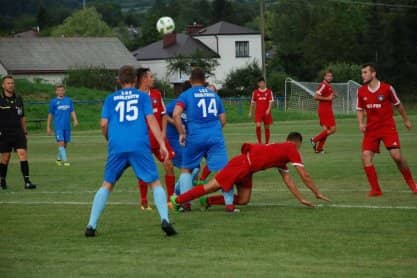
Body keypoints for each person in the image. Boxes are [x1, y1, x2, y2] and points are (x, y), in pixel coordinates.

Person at [85, 65, 176, 237]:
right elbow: (151, 120)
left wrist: (109, 139)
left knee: (107, 184)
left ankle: (91, 225)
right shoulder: (143, 97)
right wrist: (162, 144)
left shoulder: (110, 98)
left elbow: (103, 124)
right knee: (155, 182)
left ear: (119, 81)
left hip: (117, 145)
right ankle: (165, 219)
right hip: (139, 144)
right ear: (135, 80)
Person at [171, 132, 330, 210]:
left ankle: (208, 202)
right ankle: (176, 201)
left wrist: (301, 199)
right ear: (296, 143)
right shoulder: (290, 148)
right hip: (240, 164)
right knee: (210, 187)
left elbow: (289, 181)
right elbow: (304, 174)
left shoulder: (282, 157)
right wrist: (316, 192)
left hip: (247, 170)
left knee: (243, 200)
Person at [173, 68, 233, 212]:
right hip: (214, 136)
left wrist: (182, 133)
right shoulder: (214, 95)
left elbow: (176, 114)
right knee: (223, 170)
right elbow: (223, 119)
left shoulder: (186, 95)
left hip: (195, 136)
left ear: (190, 79)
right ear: (205, 80)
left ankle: (186, 204)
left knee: (186, 169)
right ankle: (229, 204)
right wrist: (214, 131)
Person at [356, 63, 417, 196]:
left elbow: (398, 105)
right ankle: (376, 190)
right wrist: (361, 123)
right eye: (362, 73)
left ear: (373, 74)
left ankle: (413, 184)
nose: (363, 75)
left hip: (387, 127)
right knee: (366, 156)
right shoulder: (361, 91)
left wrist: (406, 120)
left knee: (397, 157)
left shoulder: (387, 88)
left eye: (365, 72)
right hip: (371, 129)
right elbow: (360, 109)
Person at [135, 68, 176, 211]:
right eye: (151, 77)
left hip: (159, 139)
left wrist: (163, 132)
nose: (153, 79)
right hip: (143, 140)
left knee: (169, 164)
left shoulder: (157, 94)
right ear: (143, 79)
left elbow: (164, 115)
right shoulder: (135, 97)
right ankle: (144, 201)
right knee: (143, 170)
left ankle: (171, 199)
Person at [0, 75, 36, 190]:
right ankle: (2, 181)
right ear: (3, 85)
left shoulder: (19, 99)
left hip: (18, 132)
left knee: (22, 154)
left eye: (12, 83)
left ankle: (27, 182)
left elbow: (22, 117)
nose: (11, 85)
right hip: (4, 133)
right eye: (8, 83)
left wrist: (24, 132)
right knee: (5, 158)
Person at [47, 84, 79, 166]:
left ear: (64, 91)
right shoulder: (53, 102)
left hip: (67, 126)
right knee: (61, 143)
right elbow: (50, 115)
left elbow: (72, 111)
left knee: (65, 144)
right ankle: (65, 161)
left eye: (62, 90)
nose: (60, 92)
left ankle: (58, 159)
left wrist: (75, 120)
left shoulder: (68, 100)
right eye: (59, 90)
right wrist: (48, 127)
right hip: (58, 126)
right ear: (56, 92)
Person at [310, 69, 337, 154]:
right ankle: (314, 139)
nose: (330, 77)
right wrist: (327, 98)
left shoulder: (328, 85)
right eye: (328, 76)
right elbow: (315, 97)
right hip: (325, 110)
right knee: (333, 129)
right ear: (324, 77)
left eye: (331, 76)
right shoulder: (323, 85)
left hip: (326, 109)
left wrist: (334, 95)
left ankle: (319, 149)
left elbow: (331, 95)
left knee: (326, 131)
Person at [248, 77, 274, 144]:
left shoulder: (269, 92)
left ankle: (267, 143)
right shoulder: (255, 92)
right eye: (260, 83)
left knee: (267, 127)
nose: (261, 84)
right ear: (258, 84)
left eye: (262, 83)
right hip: (258, 112)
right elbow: (252, 102)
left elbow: (271, 102)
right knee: (258, 126)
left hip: (266, 112)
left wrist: (268, 109)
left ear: (264, 83)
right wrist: (250, 112)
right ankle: (259, 142)